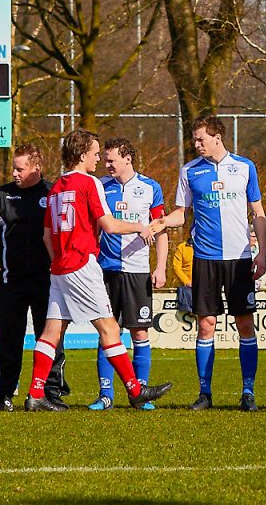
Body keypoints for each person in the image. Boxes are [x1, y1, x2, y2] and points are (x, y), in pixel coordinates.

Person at [22, 129, 172, 412]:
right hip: (82, 263)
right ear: (81, 155)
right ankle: (135, 389)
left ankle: (35, 394)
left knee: (51, 331)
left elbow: (45, 236)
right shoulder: (89, 183)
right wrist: (140, 226)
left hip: (59, 268)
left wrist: (60, 260)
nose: (97, 159)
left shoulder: (56, 187)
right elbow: (110, 225)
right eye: (93, 153)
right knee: (109, 327)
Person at [160, 115, 266, 411]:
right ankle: (204, 394)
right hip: (205, 258)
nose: (196, 145)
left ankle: (248, 392)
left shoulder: (245, 167)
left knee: (245, 323)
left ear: (217, 137)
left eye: (201, 139)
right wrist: (161, 223)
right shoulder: (189, 171)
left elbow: (258, 212)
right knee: (206, 325)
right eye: (195, 140)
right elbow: (181, 214)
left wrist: (262, 252)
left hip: (239, 258)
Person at [0, 144, 69, 411]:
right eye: (13, 168)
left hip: (48, 281)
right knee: (7, 339)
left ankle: (51, 392)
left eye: (20, 169)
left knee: (51, 338)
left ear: (36, 168)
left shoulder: (53, 193)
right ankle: (3, 394)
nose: (15, 173)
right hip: (11, 282)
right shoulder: (2, 194)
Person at [88, 137, 168, 411]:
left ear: (127, 159)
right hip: (106, 271)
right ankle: (106, 395)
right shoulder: (100, 187)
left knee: (140, 333)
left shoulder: (150, 188)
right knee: (107, 332)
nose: (106, 164)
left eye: (111, 160)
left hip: (137, 271)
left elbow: (160, 229)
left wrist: (160, 266)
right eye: (105, 159)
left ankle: (140, 393)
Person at [172, 237, 194, 313]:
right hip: (187, 287)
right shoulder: (182, 247)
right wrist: (187, 282)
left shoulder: (208, 246)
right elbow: (176, 267)